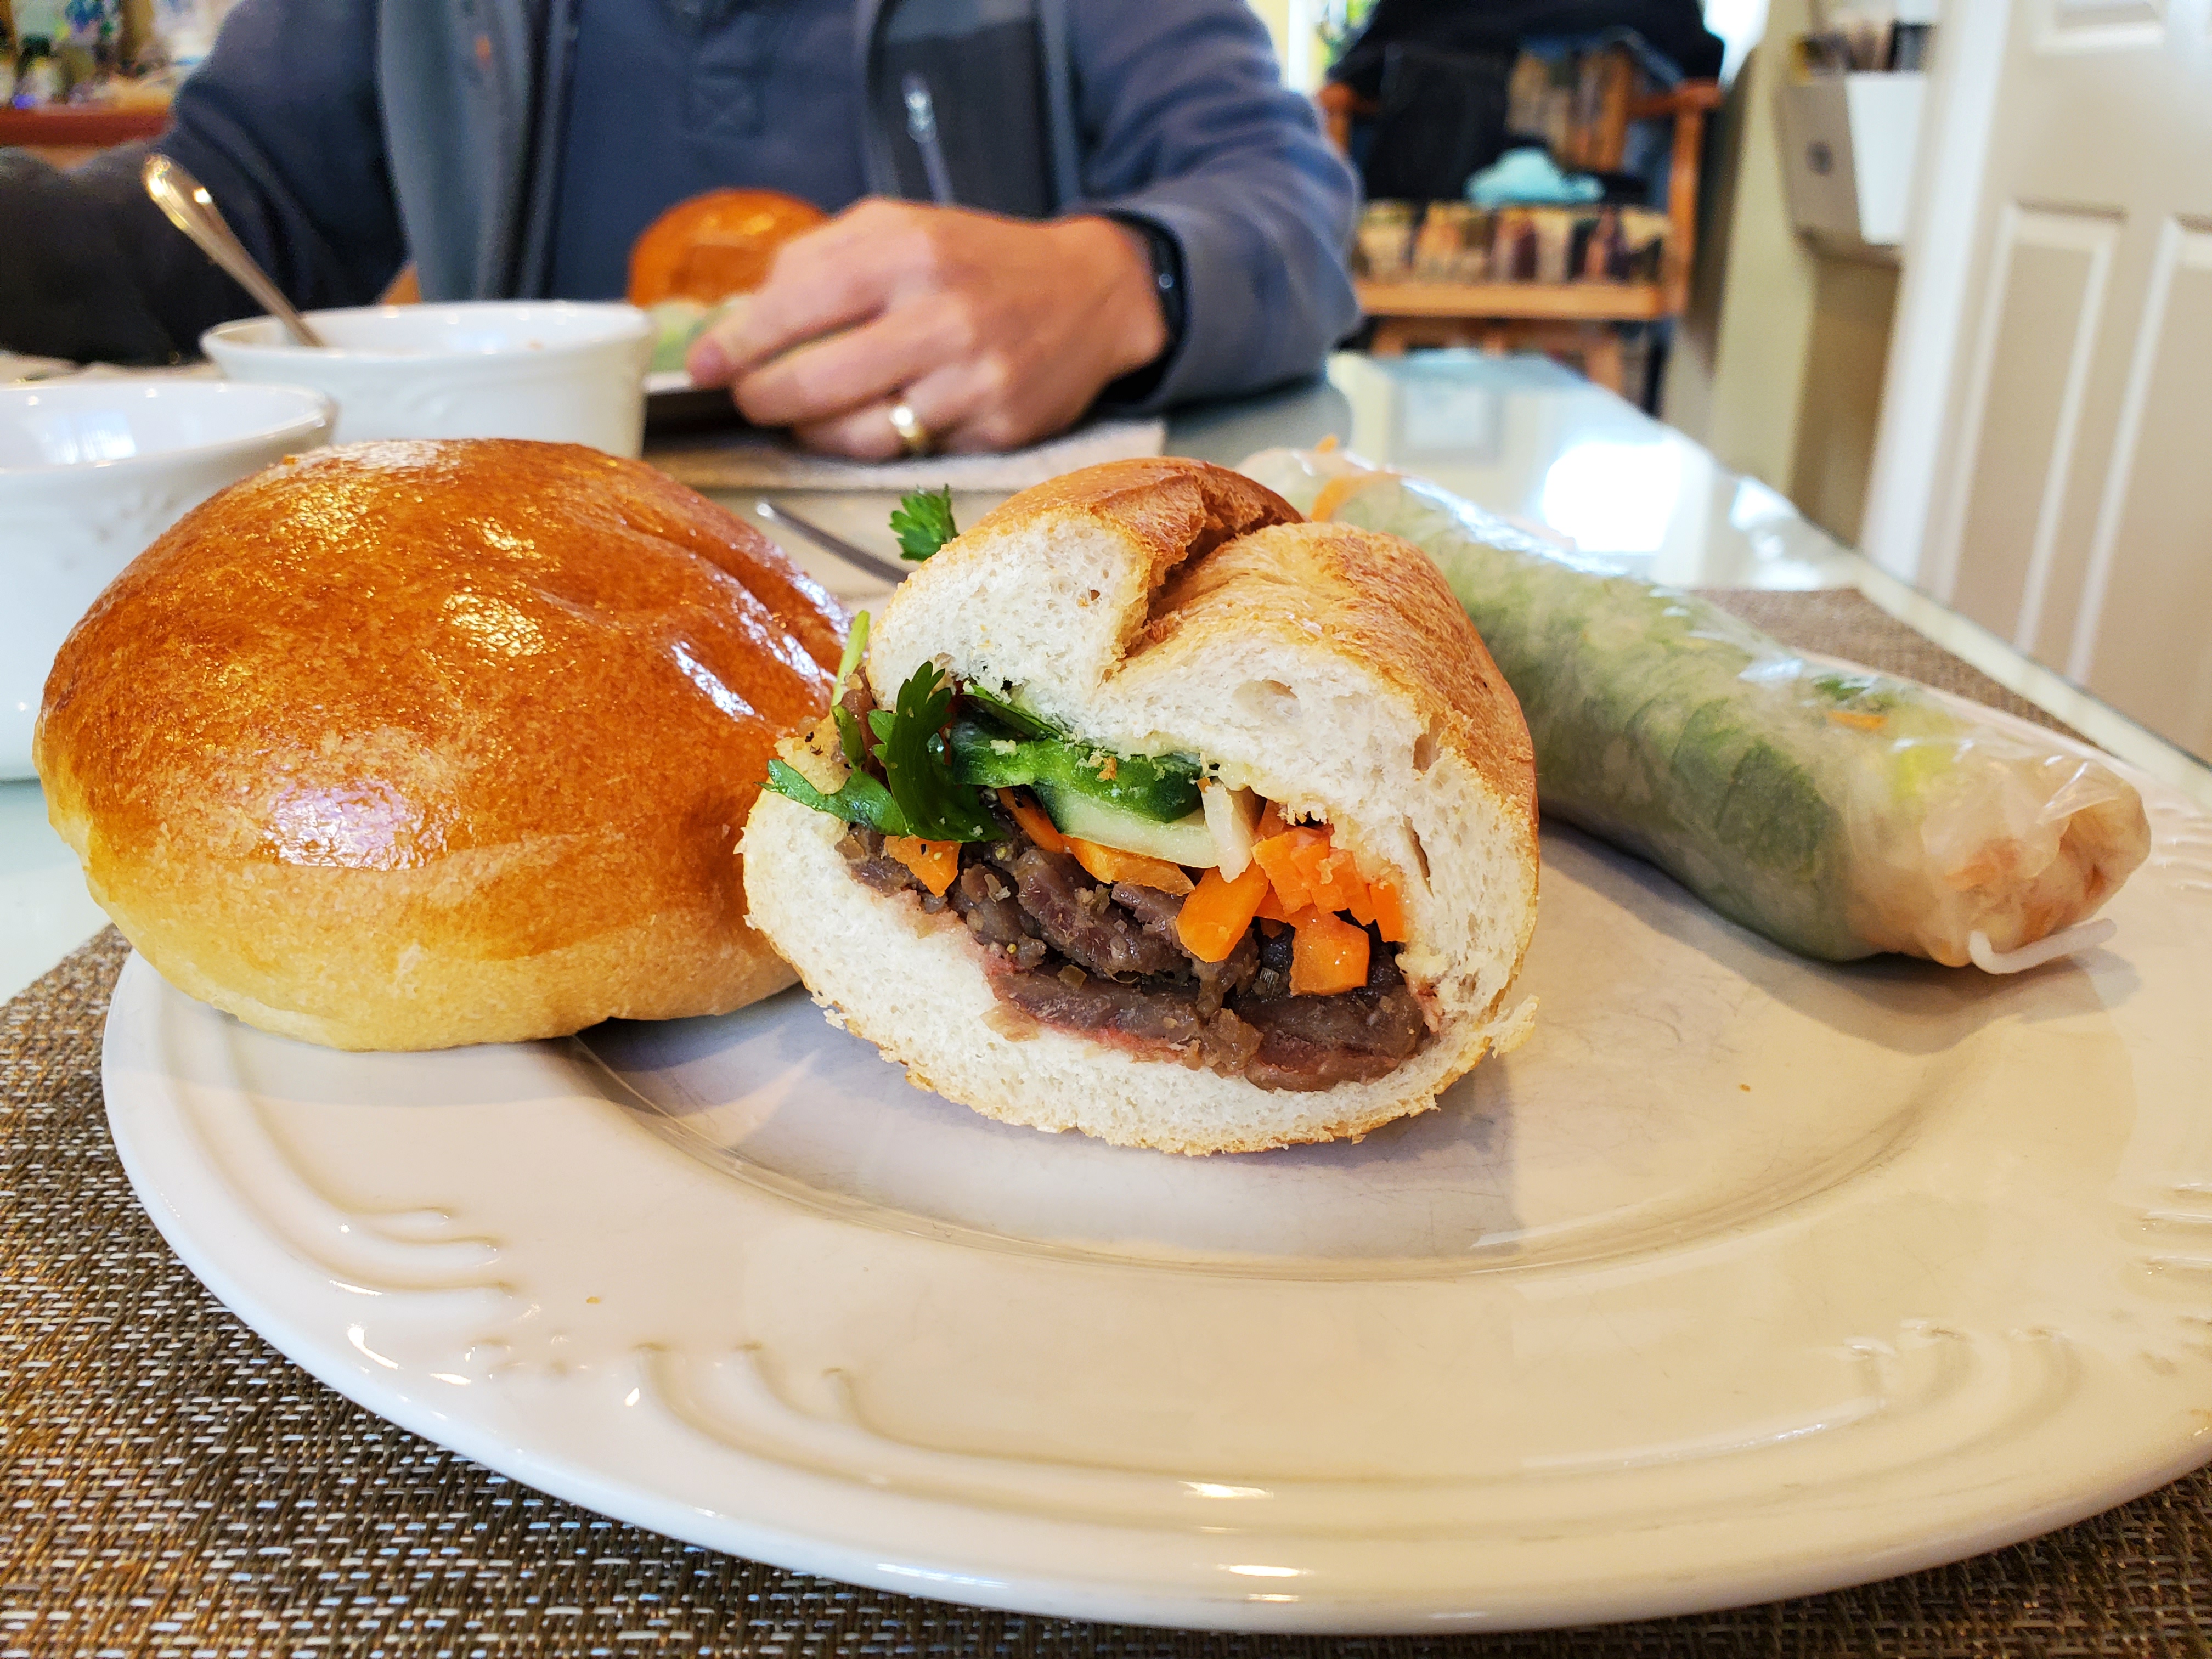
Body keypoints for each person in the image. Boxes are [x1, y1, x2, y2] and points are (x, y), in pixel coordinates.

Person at [0, 0, 1361, 458]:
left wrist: (1113, 278)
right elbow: (206, 229)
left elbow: (1289, 207)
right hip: (520, 588)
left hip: (969, 576)